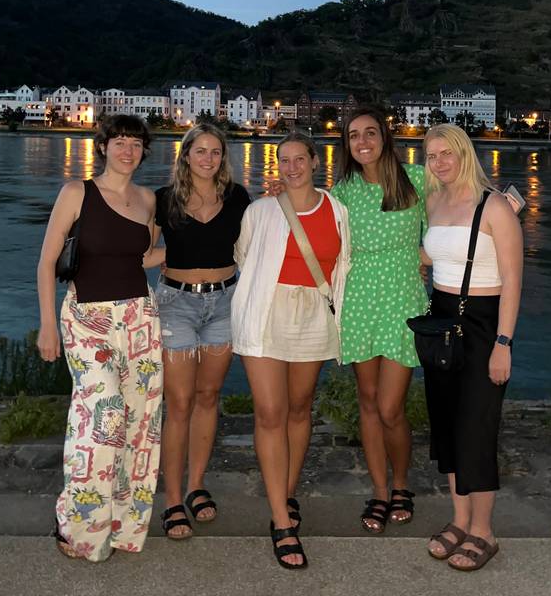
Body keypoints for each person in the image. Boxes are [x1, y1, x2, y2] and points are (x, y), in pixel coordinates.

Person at [36, 114, 163, 562]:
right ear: (104, 147)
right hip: (86, 316)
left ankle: (124, 526)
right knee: (102, 414)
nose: (127, 150)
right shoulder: (77, 192)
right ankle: (77, 526)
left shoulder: (148, 199)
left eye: (135, 143)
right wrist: (48, 324)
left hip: (139, 317)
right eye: (119, 142)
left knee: (140, 424)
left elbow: (146, 257)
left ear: (144, 151)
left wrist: (207, 246)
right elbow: (47, 261)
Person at [232, 132, 351, 570]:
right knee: (270, 412)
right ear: (277, 164)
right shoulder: (261, 210)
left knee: (300, 409)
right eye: (285, 160)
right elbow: (245, 257)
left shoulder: (338, 210)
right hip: (266, 311)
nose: (292, 167)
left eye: (300, 159)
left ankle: (286, 491)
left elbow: (346, 262)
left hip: (313, 316)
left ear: (315, 161)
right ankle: (282, 522)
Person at [421, 123, 523, 572]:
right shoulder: (434, 201)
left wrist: (503, 343)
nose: (440, 162)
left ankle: (484, 531)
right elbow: (433, 255)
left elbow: (513, 279)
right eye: (431, 155)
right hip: (441, 319)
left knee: (477, 428)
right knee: (446, 425)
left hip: (483, 324)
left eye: (448, 153)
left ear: (465, 154)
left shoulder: (494, 205)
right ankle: (460, 520)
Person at [331, 107, 429, 533]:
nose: (363, 141)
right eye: (354, 136)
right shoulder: (344, 191)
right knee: (368, 402)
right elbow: (314, 224)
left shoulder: (418, 181)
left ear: (385, 137)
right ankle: (378, 489)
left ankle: (402, 482)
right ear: (348, 145)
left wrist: (425, 257)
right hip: (359, 301)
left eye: (370, 132)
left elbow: (455, 216)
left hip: (403, 300)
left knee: (391, 407)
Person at [151, 123, 250, 540]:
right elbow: (143, 249)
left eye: (215, 152)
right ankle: (172, 499)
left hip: (225, 302)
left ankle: (196, 485)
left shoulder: (238, 197)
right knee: (179, 402)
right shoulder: (162, 200)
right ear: (186, 155)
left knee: (209, 396)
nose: (208, 158)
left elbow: (258, 239)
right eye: (200, 151)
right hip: (176, 304)